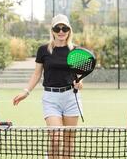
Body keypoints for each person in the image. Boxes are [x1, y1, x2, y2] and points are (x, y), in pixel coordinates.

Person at [13, 14, 83, 159]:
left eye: (65, 28)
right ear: (52, 30)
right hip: (51, 98)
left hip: (71, 97)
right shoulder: (43, 50)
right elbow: (37, 74)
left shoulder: (75, 50)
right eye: (57, 28)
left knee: (69, 141)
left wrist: (79, 83)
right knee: (55, 139)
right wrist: (26, 91)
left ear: (69, 30)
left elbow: (78, 76)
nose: (61, 31)